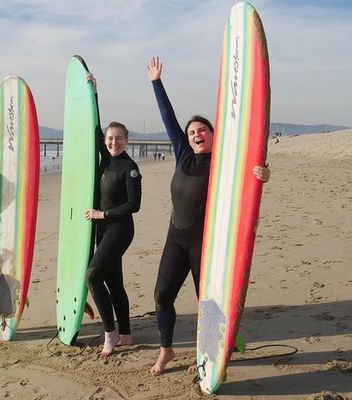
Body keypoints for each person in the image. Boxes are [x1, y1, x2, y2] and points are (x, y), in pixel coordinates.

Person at [146, 56, 270, 375]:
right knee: (162, 294)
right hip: (176, 238)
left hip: (206, 244)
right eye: (192, 132)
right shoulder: (183, 154)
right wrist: (156, 82)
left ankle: (209, 351)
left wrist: (263, 173)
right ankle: (166, 351)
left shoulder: (225, 161)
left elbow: (250, 178)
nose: (196, 134)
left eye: (202, 130)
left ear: (214, 134)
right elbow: (168, 119)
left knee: (208, 303)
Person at [84, 73, 142, 357]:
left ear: (127, 140)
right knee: (114, 282)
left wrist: (101, 213)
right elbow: (95, 127)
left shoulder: (129, 167)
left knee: (93, 278)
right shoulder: (105, 158)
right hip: (104, 229)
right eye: (110, 138)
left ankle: (110, 332)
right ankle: (127, 334)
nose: (113, 142)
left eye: (119, 138)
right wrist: (94, 93)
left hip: (119, 229)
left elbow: (134, 205)